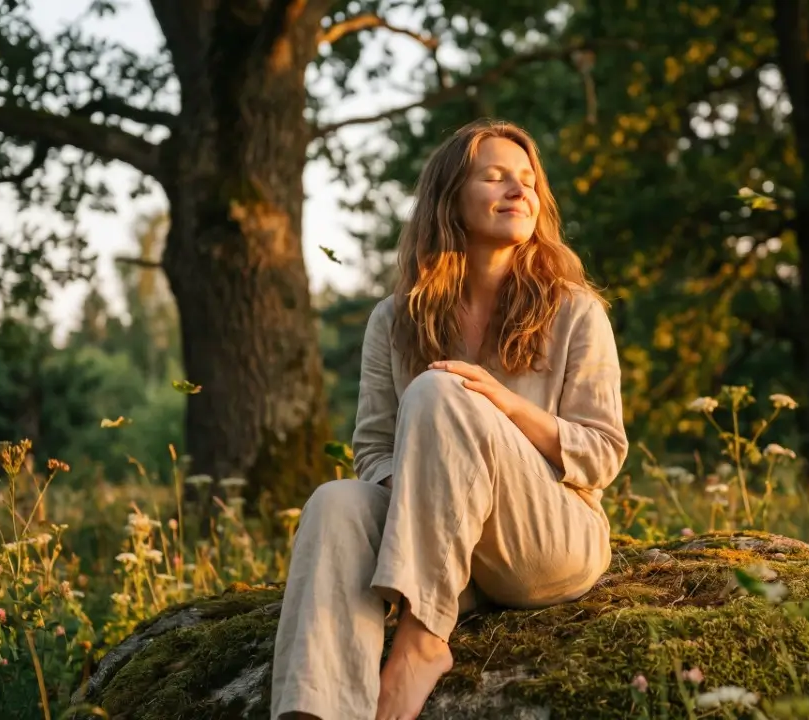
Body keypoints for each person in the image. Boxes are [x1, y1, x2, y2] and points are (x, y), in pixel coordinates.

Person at [269, 118, 628, 720]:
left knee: (442, 390)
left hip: (546, 538)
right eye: (496, 177)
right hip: (448, 548)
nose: (520, 192)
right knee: (335, 501)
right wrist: (428, 498)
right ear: (449, 199)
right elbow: (374, 453)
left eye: (529, 182)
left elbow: (601, 455)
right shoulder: (393, 319)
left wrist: (504, 404)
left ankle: (421, 638)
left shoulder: (576, 311)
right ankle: (317, 710)